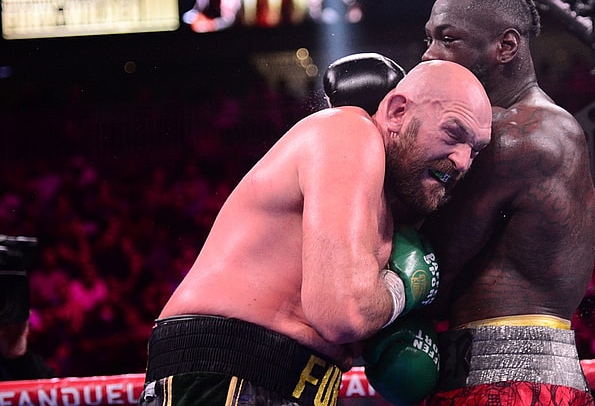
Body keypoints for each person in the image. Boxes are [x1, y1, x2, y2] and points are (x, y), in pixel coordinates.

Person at [139, 59, 492, 406]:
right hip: (225, 370)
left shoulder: (384, 204)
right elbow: (343, 314)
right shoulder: (348, 131)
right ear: (397, 112)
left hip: (286, 381)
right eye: (453, 133)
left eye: (475, 150)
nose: (462, 160)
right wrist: (401, 288)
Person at [419, 0, 595, 405]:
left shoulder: (515, 136)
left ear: (505, 46)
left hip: (505, 388)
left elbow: (430, 272)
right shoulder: (544, 127)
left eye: (448, 39)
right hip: (519, 382)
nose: (429, 55)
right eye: (429, 38)